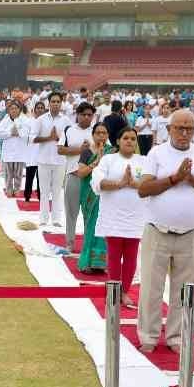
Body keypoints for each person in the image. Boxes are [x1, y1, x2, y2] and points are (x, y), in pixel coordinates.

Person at [137, 110, 194, 353]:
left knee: (184, 291)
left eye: (189, 128)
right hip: (157, 230)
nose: (185, 133)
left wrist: (191, 179)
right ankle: (149, 337)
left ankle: (177, 337)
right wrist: (174, 179)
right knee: (151, 288)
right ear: (169, 129)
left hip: (189, 232)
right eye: (179, 128)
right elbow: (144, 189)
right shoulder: (157, 153)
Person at [92, 127, 146, 305]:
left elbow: (150, 185)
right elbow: (98, 182)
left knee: (131, 257)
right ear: (118, 141)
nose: (129, 141)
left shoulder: (144, 161)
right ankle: (113, 292)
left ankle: (124, 292)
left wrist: (134, 184)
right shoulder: (108, 160)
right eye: (125, 138)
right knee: (114, 256)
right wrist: (120, 183)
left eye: (132, 138)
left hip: (136, 217)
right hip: (113, 217)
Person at [73, 122, 111, 272]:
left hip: (106, 195)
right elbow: (81, 173)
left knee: (104, 227)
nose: (101, 136)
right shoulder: (87, 152)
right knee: (91, 227)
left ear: (108, 135)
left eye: (104, 133)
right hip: (89, 195)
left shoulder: (112, 152)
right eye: (98, 133)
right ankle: (86, 263)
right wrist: (97, 161)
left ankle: (99, 263)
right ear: (93, 135)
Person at [60, 102, 96, 251]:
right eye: (84, 115)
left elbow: (106, 151)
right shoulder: (69, 130)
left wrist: (92, 151)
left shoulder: (97, 132)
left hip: (91, 178)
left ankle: (88, 244)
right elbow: (60, 150)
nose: (87, 117)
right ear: (78, 115)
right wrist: (79, 150)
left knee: (90, 213)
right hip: (73, 175)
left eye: (90, 115)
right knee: (71, 212)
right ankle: (70, 242)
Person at [33, 92, 71, 228]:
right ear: (49, 103)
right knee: (44, 191)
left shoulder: (66, 120)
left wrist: (59, 138)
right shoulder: (41, 119)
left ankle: (56, 219)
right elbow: (33, 138)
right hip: (43, 160)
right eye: (53, 101)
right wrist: (49, 138)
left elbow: (70, 140)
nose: (55, 104)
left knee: (57, 191)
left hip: (60, 160)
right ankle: (43, 218)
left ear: (61, 103)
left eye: (58, 102)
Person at [0, 101, 28, 198]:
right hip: (8, 151)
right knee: (8, 173)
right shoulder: (5, 120)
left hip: (19, 151)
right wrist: (10, 133)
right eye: (12, 109)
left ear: (19, 110)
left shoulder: (24, 120)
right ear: (9, 111)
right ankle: (9, 189)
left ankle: (17, 189)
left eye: (16, 108)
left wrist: (18, 133)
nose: (14, 110)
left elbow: (27, 133)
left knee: (18, 173)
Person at [23, 101, 44, 204]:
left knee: (41, 179)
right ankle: (27, 196)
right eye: (38, 108)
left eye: (41, 108)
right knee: (29, 177)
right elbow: (26, 137)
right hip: (31, 152)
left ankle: (41, 197)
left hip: (43, 154)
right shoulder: (29, 122)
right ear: (34, 110)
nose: (40, 109)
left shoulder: (46, 121)